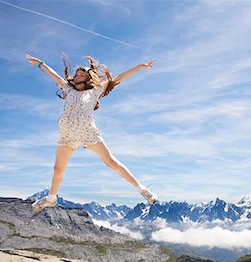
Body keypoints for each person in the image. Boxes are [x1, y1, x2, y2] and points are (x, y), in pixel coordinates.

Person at [25, 54, 158, 212]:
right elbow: (54, 75)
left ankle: (144, 191)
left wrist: (139, 67)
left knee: (112, 162)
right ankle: (51, 199)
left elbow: (118, 78)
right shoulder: (68, 89)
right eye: (76, 74)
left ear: (88, 79)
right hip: (67, 135)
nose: (77, 77)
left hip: (87, 132)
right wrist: (40, 63)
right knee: (58, 169)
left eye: (82, 75)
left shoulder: (95, 91)